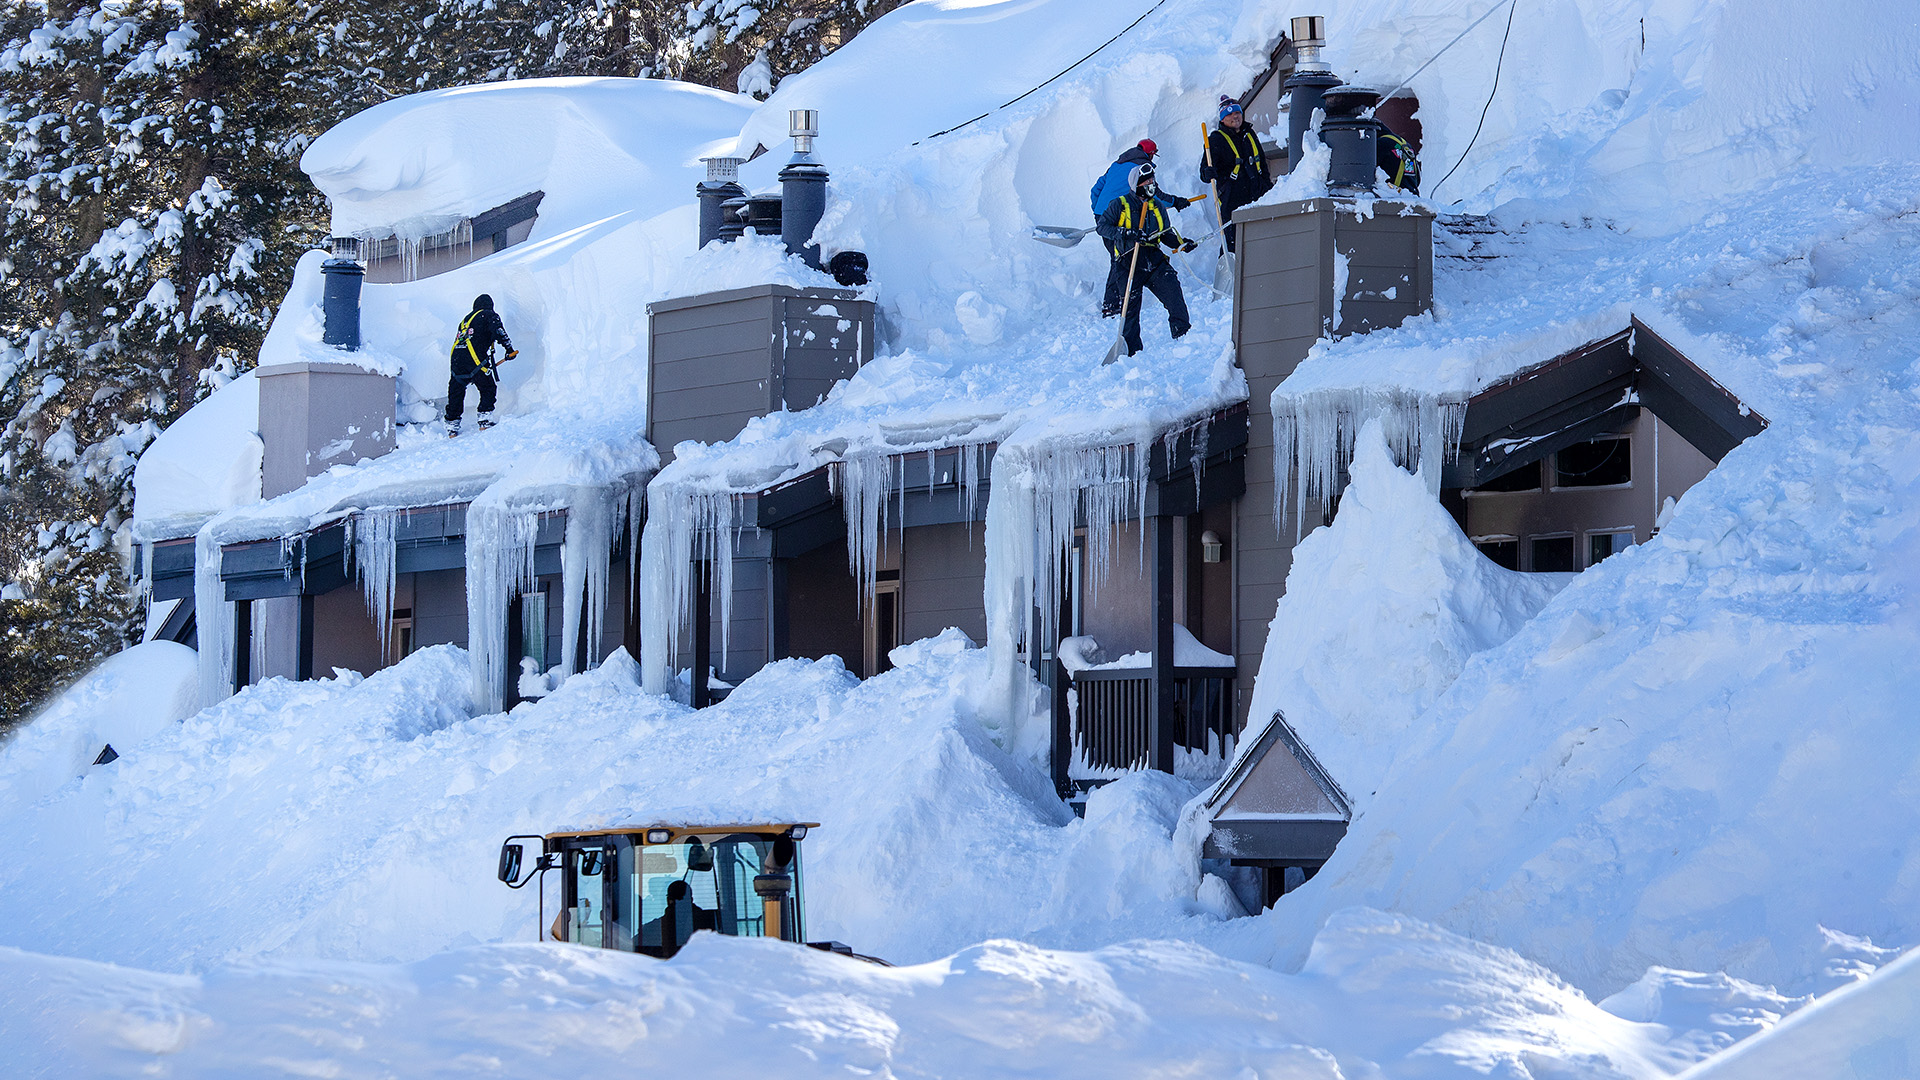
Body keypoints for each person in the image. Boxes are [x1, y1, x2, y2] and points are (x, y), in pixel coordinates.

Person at [1097, 162, 1198, 356]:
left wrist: (1181, 244)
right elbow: (1103, 227)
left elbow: (1166, 234)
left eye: (1153, 180)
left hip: (1153, 260)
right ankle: (1132, 351)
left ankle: (1183, 335)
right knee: (1130, 309)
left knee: (1173, 293)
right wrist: (1127, 233)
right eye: (1147, 181)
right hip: (1128, 262)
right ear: (1137, 185)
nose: (1151, 184)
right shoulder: (1120, 204)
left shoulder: (1157, 206)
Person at [1089, 140, 1192, 317]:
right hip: (1122, 214)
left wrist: (1099, 211)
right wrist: (1176, 201)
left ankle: (1113, 303)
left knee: (1118, 256)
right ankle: (1113, 304)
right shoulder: (1142, 168)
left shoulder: (1116, 164)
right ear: (1151, 153)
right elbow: (1155, 195)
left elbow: (1096, 189)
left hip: (1104, 214)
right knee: (1120, 257)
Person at [1199, 96, 1274, 254]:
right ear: (1223, 118)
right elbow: (1204, 173)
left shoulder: (1249, 134)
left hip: (1258, 196)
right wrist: (1208, 172)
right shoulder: (1216, 140)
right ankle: (1229, 274)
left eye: (1237, 113)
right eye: (1230, 114)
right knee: (1232, 244)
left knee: (1261, 240)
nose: (1235, 117)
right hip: (1233, 200)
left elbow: (1262, 163)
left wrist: (1268, 188)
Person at [446, 294, 516, 437]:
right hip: (475, 361)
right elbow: (499, 332)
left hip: (456, 361)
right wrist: (509, 349)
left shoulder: (465, 320)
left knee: (456, 391)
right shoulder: (489, 315)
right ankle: (484, 419)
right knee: (488, 387)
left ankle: (452, 425)